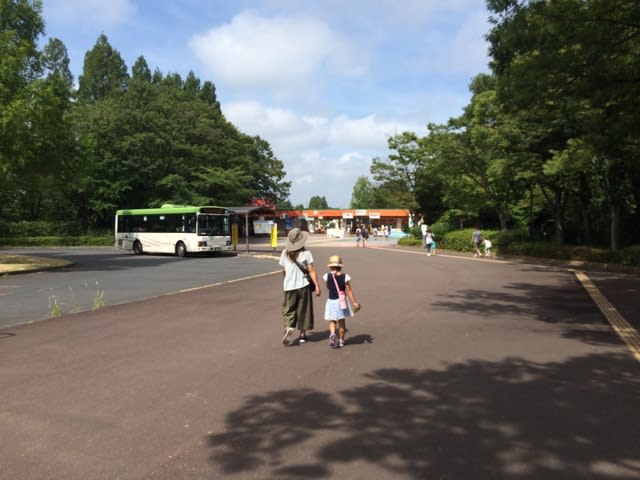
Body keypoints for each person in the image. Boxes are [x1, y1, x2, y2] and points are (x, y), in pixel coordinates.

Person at [279, 228, 321, 346]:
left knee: (288, 310)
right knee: (304, 310)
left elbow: (283, 270)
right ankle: (302, 335)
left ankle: (289, 327)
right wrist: (317, 286)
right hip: (304, 286)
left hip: (289, 286)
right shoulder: (306, 253)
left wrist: (287, 280)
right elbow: (311, 270)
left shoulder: (284, 253)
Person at [323, 255, 360, 348]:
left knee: (332, 320)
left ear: (330, 266)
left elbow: (327, 287)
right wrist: (354, 302)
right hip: (341, 302)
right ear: (340, 266)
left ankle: (332, 333)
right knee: (341, 322)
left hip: (331, 301)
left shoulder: (327, 276)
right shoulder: (345, 277)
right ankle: (341, 341)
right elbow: (349, 290)